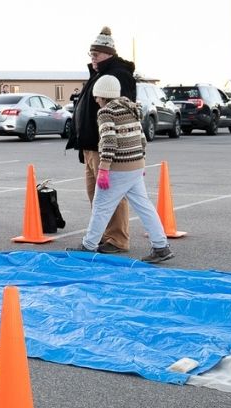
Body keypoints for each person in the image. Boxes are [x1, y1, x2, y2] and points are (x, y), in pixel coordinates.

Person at [78, 75, 173, 263]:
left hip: (118, 168)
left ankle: (88, 246)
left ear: (103, 95)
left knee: (101, 206)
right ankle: (161, 246)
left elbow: (109, 141)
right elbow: (142, 138)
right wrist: (141, 160)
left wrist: (103, 169)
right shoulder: (131, 108)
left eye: (97, 96)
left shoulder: (106, 112)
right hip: (135, 166)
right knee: (144, 207)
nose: (96, 100)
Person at [65, 26, 136, 253]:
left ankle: (117, 239)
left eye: (96, 54)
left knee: (112, 195)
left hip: (105, 147)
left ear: (108, 54)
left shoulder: (118, 76)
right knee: (96, 196)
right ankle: (104, 236)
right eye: (91, 54)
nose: (92, 58)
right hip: (89, 146)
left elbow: (123, 113)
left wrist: (111, 148)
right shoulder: (97, 75)